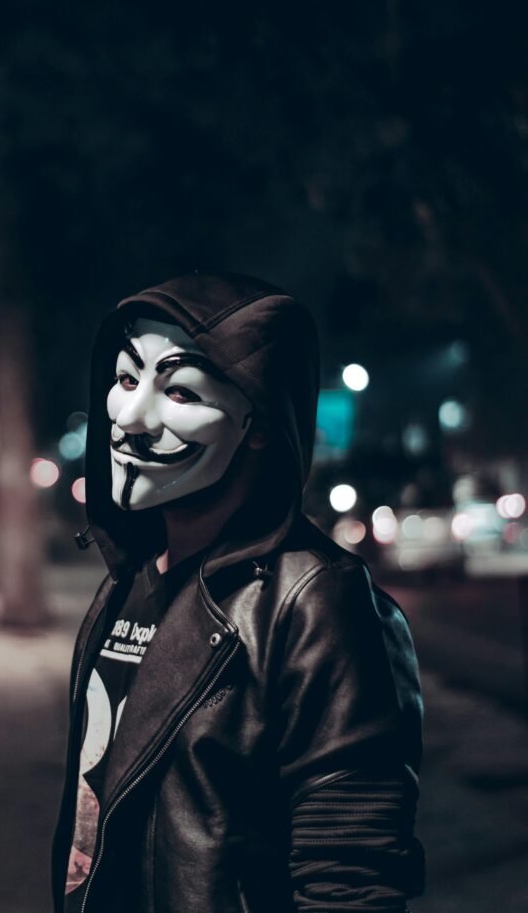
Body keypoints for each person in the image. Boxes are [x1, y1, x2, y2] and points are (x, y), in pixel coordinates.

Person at [52, 272, 424, 913]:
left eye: (180, 391)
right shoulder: (130, 577)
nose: (133, 418)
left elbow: (352, 881)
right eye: (126, 379)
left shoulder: (318, 602)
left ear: (260, 421)